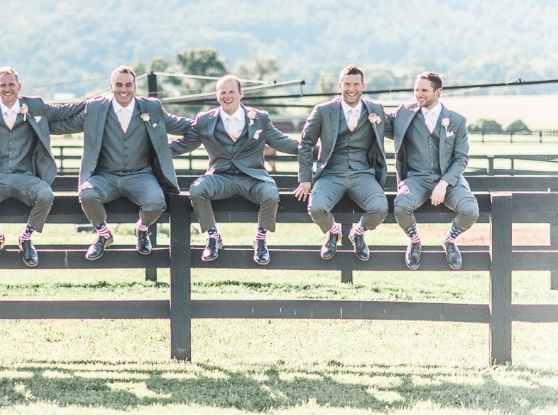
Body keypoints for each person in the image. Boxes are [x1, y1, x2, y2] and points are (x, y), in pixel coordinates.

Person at [52, 65, 192, 260]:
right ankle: (103, 235)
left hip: (140, 175)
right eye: (118, 84)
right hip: (104, 176)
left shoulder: (151, 108)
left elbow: (188, 127)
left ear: (135, 86)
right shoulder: (96, 109)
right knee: (87, 195)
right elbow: (64, 125)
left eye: (128, 84)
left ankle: (142, 229)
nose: (123, 89)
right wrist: (31, 124)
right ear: (111, 87)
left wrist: (166, 150)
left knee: (156, 201)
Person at [0, 67, 84, 267]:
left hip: (26, 177)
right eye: (3, 85)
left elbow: (65, 111)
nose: (7, 89)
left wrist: (98, 102)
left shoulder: (35, 106)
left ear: (19, 86)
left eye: (11, 84)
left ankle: (26, 238)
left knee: (46, 195)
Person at [169, 75, 298, 264]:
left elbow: (283, 142)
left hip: (252, 177)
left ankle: (260, 240)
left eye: (231, 92)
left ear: (241, 94)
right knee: (197, 190)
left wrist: (315, 152)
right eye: (222, 92)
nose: (227, 96)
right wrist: (153, 151)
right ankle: (213, 237)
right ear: (217, 95)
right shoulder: (205, 120)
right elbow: (184, 144)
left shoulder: (259, 118)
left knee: (271, 193)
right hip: (219, 176)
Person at [294, 65, 389, 260]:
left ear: (363, 85)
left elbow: (395, 128)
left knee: (380, 208)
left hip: (362, 173)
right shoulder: (323, 110)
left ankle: (359, 233)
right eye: (347, 84)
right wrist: (305, 178)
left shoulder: (375, 109)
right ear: (340, 85)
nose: (351, 89)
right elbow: (306, 143)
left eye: (356, 84)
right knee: (317, 208)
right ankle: (333, 231)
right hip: (330, 173)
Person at [388, 72, 478, 270]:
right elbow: (379, 124)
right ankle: (415, 241)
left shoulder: (456, 120)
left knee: (470, 210)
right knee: (401, 206)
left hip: (448, 179)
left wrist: (444, 184)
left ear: (438, 92)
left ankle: (449, 240)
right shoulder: (404, 113)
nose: (418, 94)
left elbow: (461, 158)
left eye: (424, 90)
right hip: (416, 179)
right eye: (416, 89)